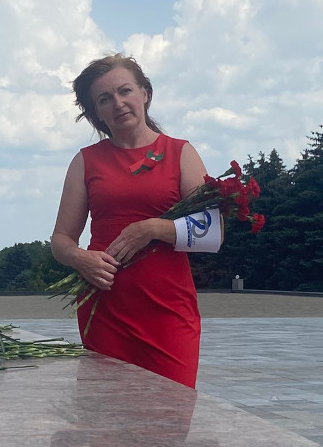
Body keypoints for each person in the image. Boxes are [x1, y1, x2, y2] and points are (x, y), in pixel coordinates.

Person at [51, 53, 210, 388]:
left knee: (172, 412)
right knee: (106, 417)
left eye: (125, 91)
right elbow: (61, 241)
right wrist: (80, 258)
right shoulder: (85, 162)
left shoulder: (181, 153)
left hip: (169, 313)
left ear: (145, 94)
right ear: (96, 113)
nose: (118, 103)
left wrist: (153, 228)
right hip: (105, 309)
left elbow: (212, 232)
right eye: (104, 99)